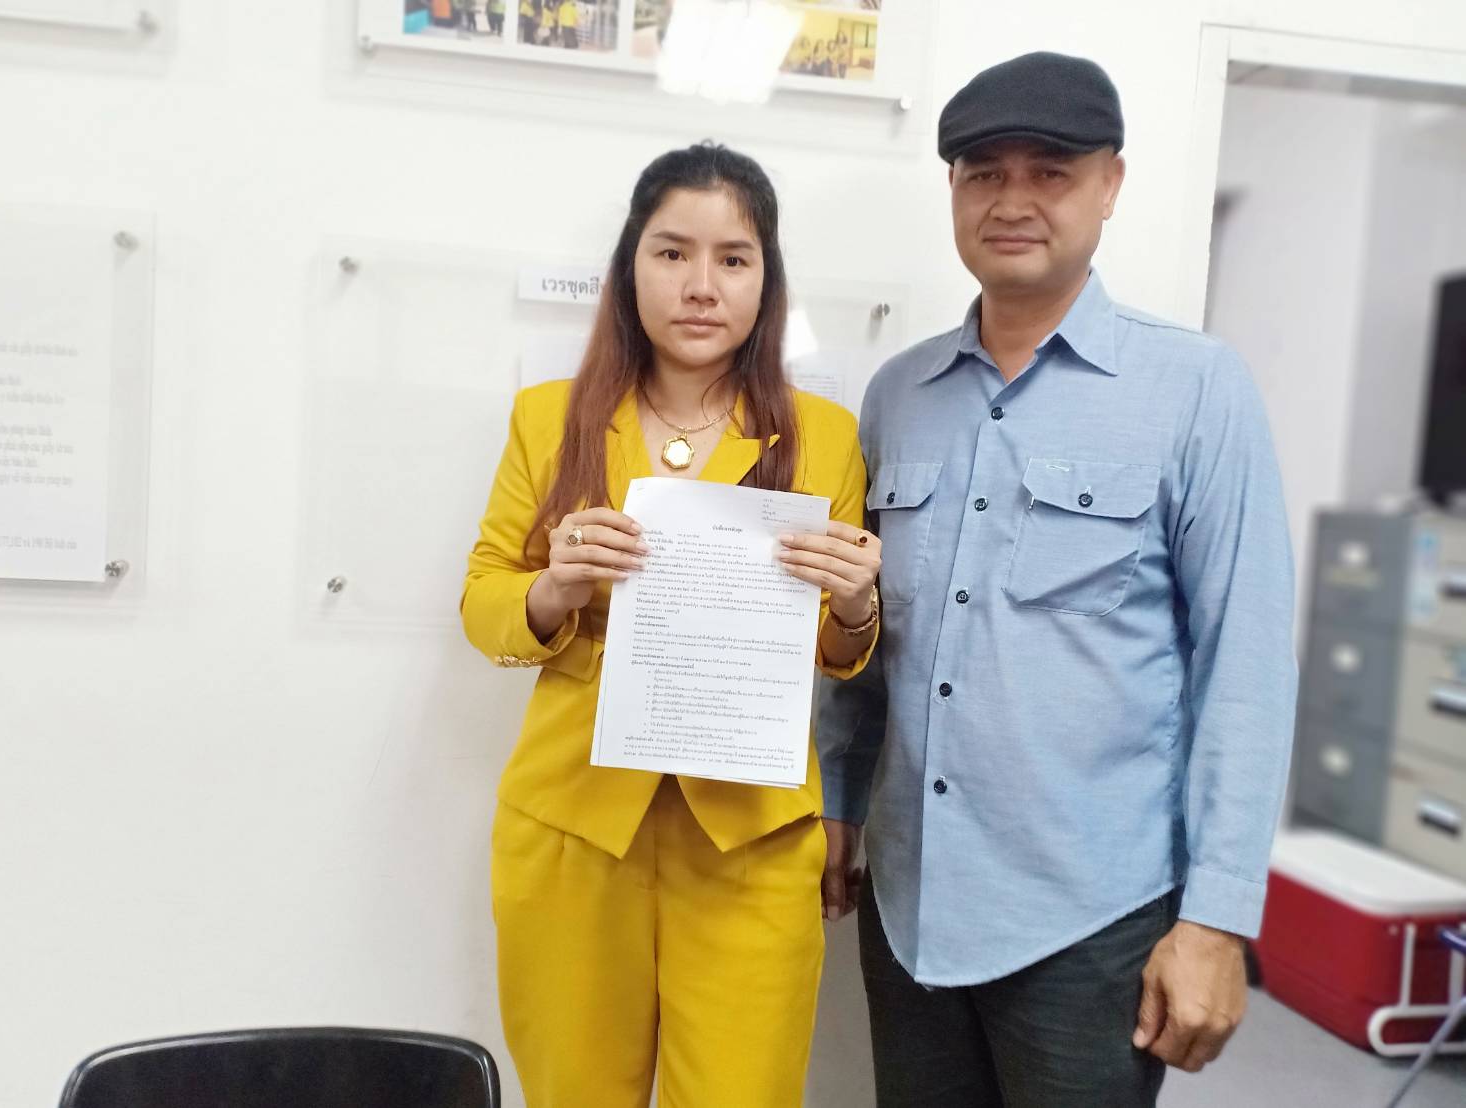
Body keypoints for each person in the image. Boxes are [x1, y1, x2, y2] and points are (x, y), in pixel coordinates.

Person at [817, 51, 1297, 1107]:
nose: (1013, 200)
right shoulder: (898, 394)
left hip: (1091, 922)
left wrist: (1216, 921)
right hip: (908, 901)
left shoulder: (1195, 389)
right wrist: (839, 797)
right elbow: (869, 631)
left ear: (1109, 184)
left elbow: (1246, 670)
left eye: (1051, 171)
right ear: (953, 189)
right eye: (984, 173)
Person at [462, 142, 882, 1108]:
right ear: (629, 266)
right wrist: (553, 587)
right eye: (671, 253)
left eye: (733, 258)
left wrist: (857, 604)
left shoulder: (823, 434)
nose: (701, 285)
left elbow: (839, 652)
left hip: (751, 835)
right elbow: (484, 599)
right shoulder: (549, 419)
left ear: (766, 280)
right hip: (574, 823)